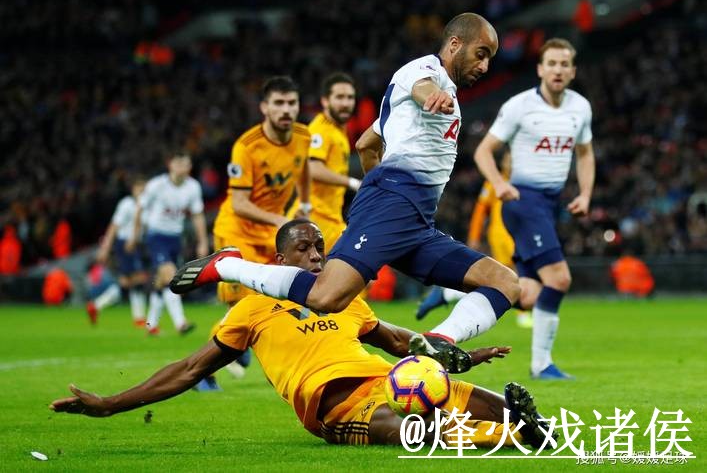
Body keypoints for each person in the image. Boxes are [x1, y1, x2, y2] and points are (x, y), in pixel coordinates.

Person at [170, 13, 519, 374]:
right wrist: (431, 100)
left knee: (505, 282)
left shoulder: (435, 101)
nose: (485, 66)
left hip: (415, 220)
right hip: (394, 204)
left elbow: (366, 143)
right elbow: (422, 87)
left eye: (489, 58)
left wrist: (375, 183)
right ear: (455, 44)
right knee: (326, 297)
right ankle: (226, 265)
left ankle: (439, 340)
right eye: (480, 54)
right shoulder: (422, 71)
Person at [50, 220, 554, 450]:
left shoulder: (345, 297)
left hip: (391, 380)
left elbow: (404, 345)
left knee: (515, 416)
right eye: (305, 249)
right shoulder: (251, 308)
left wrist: (456, 353)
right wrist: (110, 404)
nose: (317, 256)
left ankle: (523, 427)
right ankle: (512, 436)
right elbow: (189, 369)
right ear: (279, 261)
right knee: (411, 430)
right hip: (334, 406)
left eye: (320, 248)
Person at [473, 38, 595, 380]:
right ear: (540, 69)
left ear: (572, 71)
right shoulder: (519, 106)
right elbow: (483, 151)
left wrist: (586, 194)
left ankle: (452, 293)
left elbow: (585, 153)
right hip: (523, 201)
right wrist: (499, 183)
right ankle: (542, 365)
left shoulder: (580, 108)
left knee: (527, 293)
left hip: (550, 203)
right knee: (560, 278)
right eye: (551, 63)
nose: (558, 69)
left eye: (564, 64)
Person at [203, 76, 312, 386]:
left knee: (285, 295)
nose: (286, 109)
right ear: (264, 107)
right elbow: (239, 203)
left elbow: (304, 168)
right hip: (236, 231)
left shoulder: (303, 136)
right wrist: (278, 220)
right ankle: (205, 372)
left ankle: (257, 349)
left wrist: (304, 203)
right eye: (278, 103)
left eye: (291, 103)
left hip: (270, 232)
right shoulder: (246, 146)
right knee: (243, 306)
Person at [417, 152, 532, 328]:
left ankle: (448, 294)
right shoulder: (495, 182)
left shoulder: (522, 182)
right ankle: (523, 314)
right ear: (503, 163)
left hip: (519, 233)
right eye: (508, 160)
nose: (512, 163)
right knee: (514, 275)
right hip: (502, 235)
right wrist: (474, 236)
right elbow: (480, 210)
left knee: (505, 278)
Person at [128, 150, 208, 335]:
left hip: (176, 238)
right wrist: (135, 235)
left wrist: (202, 241)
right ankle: (181, 323)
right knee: (170, 275)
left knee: (161, 282)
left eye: (186, 164)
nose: (183, 168)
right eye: (179, 163)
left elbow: (197, 215)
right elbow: (140, 208)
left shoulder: (193, 187)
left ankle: (151, 325)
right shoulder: (157, 185)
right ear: (170, 164)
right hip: (156, 236)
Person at [308, 72, 361, 253]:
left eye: (350, 97)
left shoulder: (337, 130)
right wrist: (353, 183)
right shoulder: (320, 130)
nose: (346, 103)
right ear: (325, 101)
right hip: (317, 219)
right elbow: (313, 168)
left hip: (331, 218)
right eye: (339, 97)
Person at [87, 176, 148, 326]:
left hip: (136, 244)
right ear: (133, 190)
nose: (141, 192)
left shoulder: (146, 206)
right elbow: (114, 226)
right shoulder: (126, 204)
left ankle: (96, 305)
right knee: (138, 279)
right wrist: (105, 248)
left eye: (144, 190)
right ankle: (139, 318)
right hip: (125, 244)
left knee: (127, 283)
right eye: (139, 189)